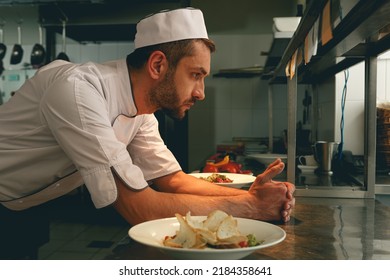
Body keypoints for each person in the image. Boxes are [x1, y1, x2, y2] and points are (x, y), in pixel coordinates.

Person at [0, 7, 295, 255]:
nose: (201, 92)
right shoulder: (79, 90)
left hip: (30, 205)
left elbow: (173, 181)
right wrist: (254, 208)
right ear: (157, 65)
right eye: (195, 75)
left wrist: (251, 192)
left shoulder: (141, 110)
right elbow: (140, 207)